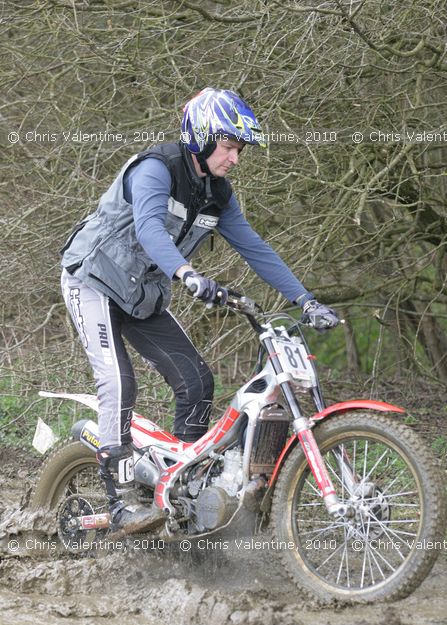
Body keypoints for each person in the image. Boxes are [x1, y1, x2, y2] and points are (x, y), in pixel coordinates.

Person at [60, 87, 339, 536]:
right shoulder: (156, 169)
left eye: (239, 149)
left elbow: (255, 248)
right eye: (229, 146)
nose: (235, 158)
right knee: (118, 380)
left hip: (141, 295)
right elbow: (151, 227)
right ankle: (117, 503)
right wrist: (187, 273)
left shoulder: (217, 194)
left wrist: (305, 301)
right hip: (92, 281)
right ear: (204, 137)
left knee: (196, 381)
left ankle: (179, 495)